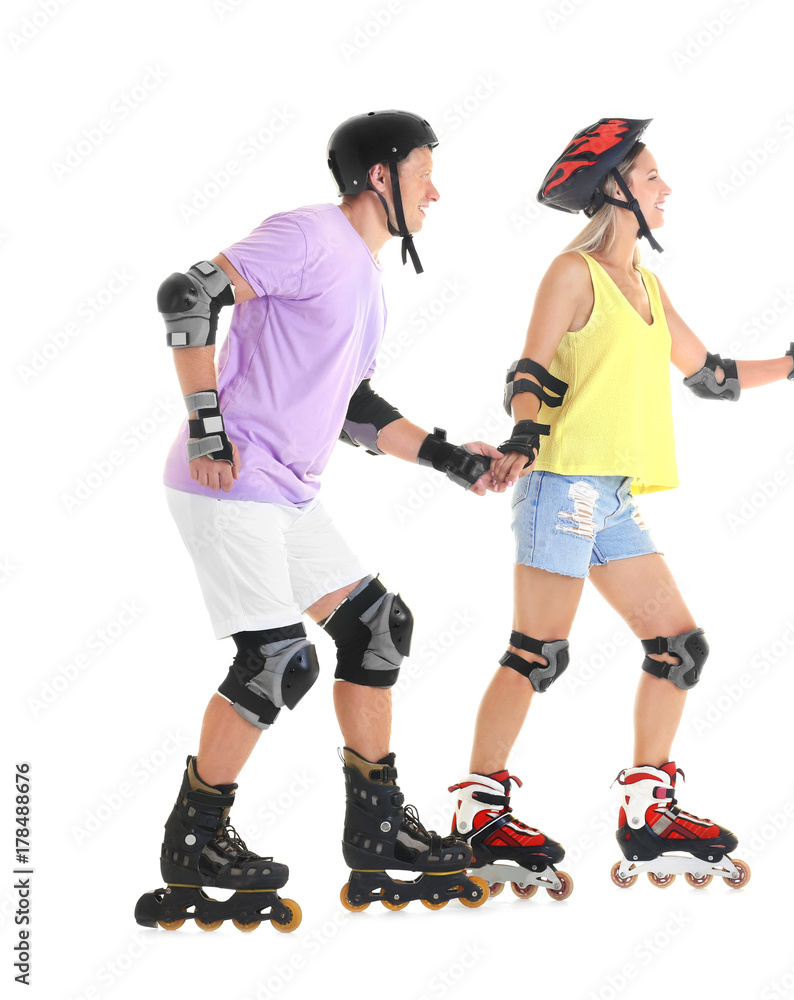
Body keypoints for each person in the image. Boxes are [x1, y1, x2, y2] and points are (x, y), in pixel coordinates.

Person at [447, 117, 794, 897]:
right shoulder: (571, 273)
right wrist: (520, 436)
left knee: (679, 648)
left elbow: (711, 376)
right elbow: (530, 368)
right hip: (564, 485)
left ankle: (647, 812)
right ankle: (477, 812)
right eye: (651, 179)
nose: (666, 189)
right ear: (615, 190)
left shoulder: (646, 284)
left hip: (611, 497)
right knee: (537, 654)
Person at [135, 110, 501, 931]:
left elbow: (354, 408)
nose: (435, 191)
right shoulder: (308, 234)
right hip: (227, 483)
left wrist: (451, 457)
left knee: (377, 628)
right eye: (424, 174)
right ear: (381, 176)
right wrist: (207, 427)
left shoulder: (366, 279)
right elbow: (189, 294)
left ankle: (376, 829)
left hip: (284, 489)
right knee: (277, 662)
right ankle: (196, 837)